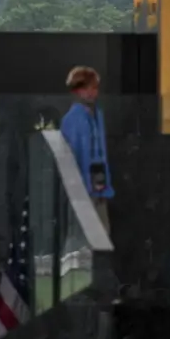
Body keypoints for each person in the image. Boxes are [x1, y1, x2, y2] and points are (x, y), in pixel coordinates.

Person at [60, 66, 113, 232]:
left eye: (94, 88)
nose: (91, 93)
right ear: (76, 90)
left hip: (99, 189)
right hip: (82, 192)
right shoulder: (72, 119)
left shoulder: (97, 115)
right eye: (86, 88)